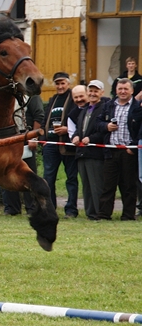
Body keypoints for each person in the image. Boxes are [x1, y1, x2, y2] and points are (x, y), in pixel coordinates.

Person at [97, 78, 142, 221]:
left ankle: (128, 215)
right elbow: (97, 122)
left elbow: (141, 129)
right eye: (120, 89)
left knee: (128, 186)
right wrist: (106, 127)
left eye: (126, 89)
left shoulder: (138, 107)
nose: (122, 91)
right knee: (108, 185)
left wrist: (133, 147)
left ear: (132, 91)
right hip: (110, 150)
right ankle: (104, 215)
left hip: (128, 151)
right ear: (116, 90)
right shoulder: (108, 105)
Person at [41, 72, 78, 218]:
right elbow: (45, 120)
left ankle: (71, 210)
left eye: (63, 83)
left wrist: (67, 130)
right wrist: (43, 140)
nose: (60, 86)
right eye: (57, 83)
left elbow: (77, 119)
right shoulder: (53, 99)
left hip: (67, 144)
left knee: (71, 178)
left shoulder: (74, 99)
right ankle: (50, 209)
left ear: (68, 84)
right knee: (48, 178)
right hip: (50, 144)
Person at [72, 80, 111, 221]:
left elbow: (104, 129)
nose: (93, 94)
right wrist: (75, 136)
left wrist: (92, 139)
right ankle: (90, 213)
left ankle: (99, 213)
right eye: (91, 91)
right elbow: (79, 128)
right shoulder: (84, 109)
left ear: (101, 92)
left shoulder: (104, 108)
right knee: (86, 186)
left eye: (96, 91)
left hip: (95, 153)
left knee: (96, 185)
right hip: (82, 152)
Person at [3, 94, 44, 216]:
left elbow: (39, 115)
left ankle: (31, 208)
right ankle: (12, 208)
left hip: (25, 137)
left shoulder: (31, 96)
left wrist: (33, 136)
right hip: (8, 138)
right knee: (6, 173)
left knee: (28, 173)